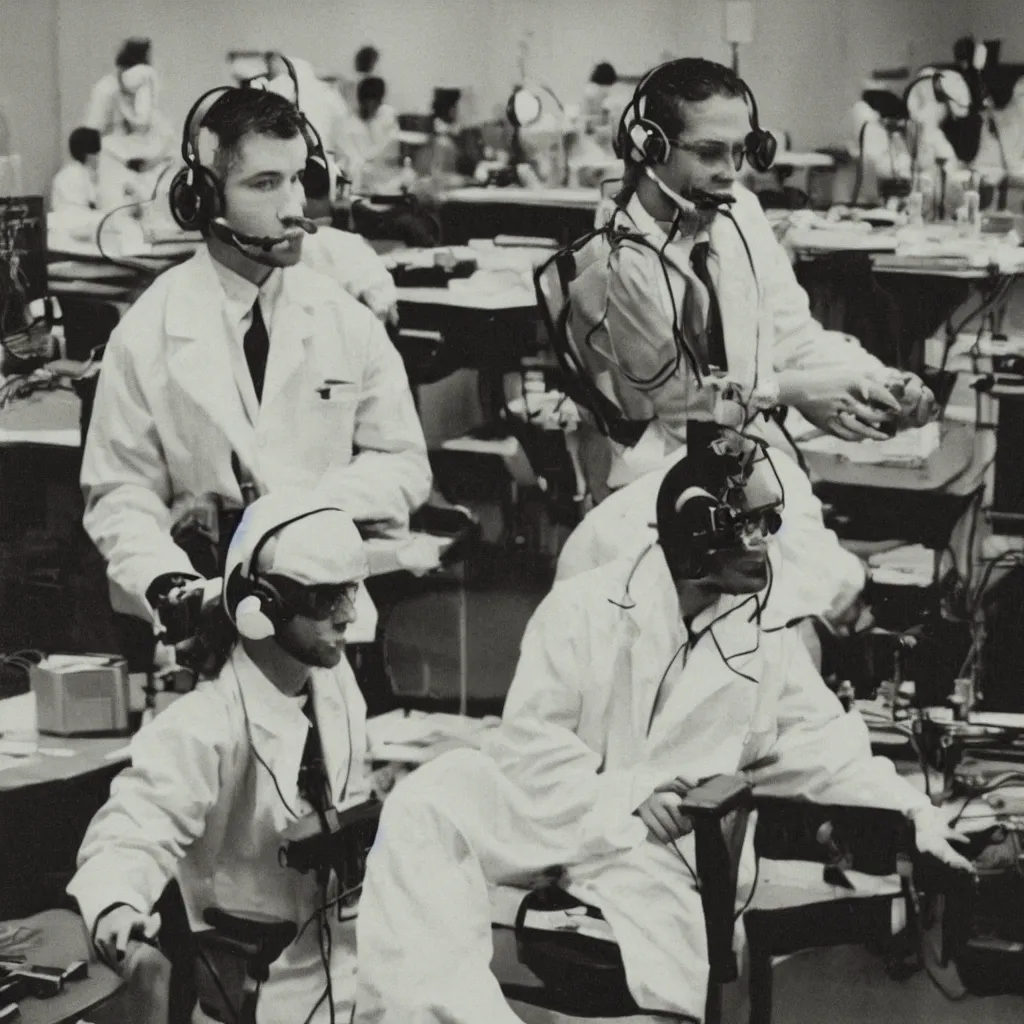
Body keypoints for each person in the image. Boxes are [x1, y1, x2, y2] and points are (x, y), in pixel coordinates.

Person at [354, 442, 971, 1024]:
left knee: (663, 970)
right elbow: (530, 750)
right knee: (428, 801)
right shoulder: (582, 610)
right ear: (697, 538)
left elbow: (820, 743)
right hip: (560, 813)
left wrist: (914, 809)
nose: (765, 548)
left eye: (767, 527)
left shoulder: (757, 633)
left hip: (664, 852)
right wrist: (628, 795)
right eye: (749, 531)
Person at [80, 86, 430, 664]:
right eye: (265, 184)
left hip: (328, 625)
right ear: (200, 200)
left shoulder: (345, 320)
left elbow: (403, 464)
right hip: (204, 623)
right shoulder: (147, 334)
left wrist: (299, 517)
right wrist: (170, 585)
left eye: (298, 178)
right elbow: (121, 492)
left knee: (334, 749)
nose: (294, 205)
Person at [68, 493, 373, 1024]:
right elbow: (132, 830)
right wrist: (116, 904)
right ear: (262, 607)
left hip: (360, 972)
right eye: (327, 599)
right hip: (269, 996)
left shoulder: (337, 684)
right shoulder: (204, 726)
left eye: (352, 591)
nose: (349, 615)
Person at [567, 58, 935, 495]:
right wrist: (797, 393)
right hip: (654, 477)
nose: (731, 171)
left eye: (739, 151)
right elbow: (681, 407)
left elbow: (791, 335)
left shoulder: (737, 210)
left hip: (748, 457)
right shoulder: (613, 258)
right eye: (709, 152)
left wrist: (877, 382)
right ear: (650, 147)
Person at [339, 76, 400, 191]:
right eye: (369, 102)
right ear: (362, 101)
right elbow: (354, 160)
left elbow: (390, 150)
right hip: (361, 179)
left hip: (384, 176)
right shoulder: (351, 125)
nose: (373, 106)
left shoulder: (387, 116)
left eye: (377, 102)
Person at [51, 127, 101, 213]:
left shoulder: (85, 172)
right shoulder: (71, 174)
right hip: (71, 221)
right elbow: (80, 209)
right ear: (87, 154)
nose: (99, 158)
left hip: (84, 219)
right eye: (96, 153)